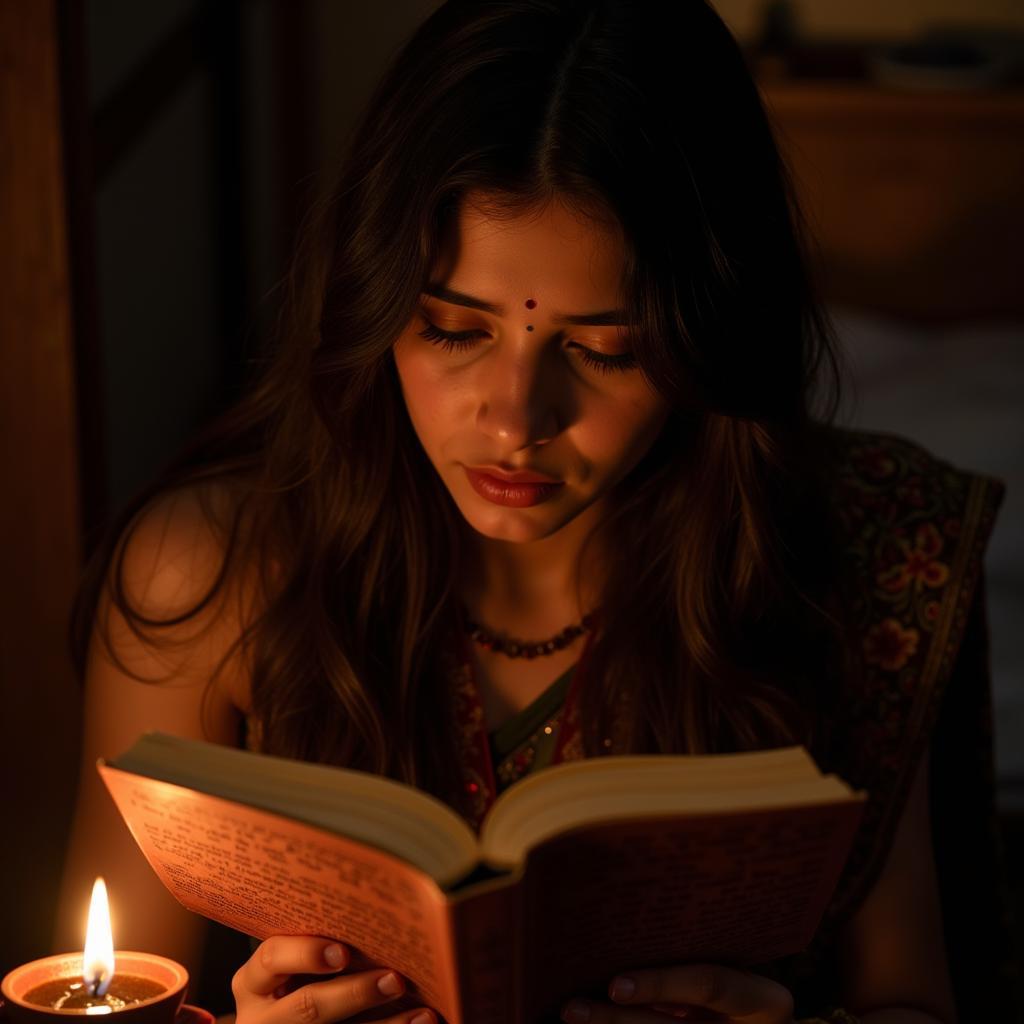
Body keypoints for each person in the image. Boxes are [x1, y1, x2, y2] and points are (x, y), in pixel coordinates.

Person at [54, 1, 1007, 1022]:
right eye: (453, 329)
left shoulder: (862, 553)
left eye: (606, 350)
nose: (515, 419)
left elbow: (916, 998)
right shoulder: (206, 577)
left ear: (707, 338)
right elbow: (102, 987)